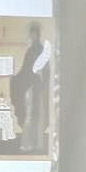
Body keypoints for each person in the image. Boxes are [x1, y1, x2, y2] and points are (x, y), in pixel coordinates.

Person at [15, 20, 52, 154]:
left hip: (37, 88)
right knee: (30, 115)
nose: (32, 36)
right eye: (31, 34)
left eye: (34, 34)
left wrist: (38, 76)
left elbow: (45, 69)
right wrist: (17, 78)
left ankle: (34, 144)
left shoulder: (40, 50)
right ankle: (29, 144)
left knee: (35, 116)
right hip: (31, 87)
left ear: (37, 34)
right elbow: (26, 70)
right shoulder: (31, 51)